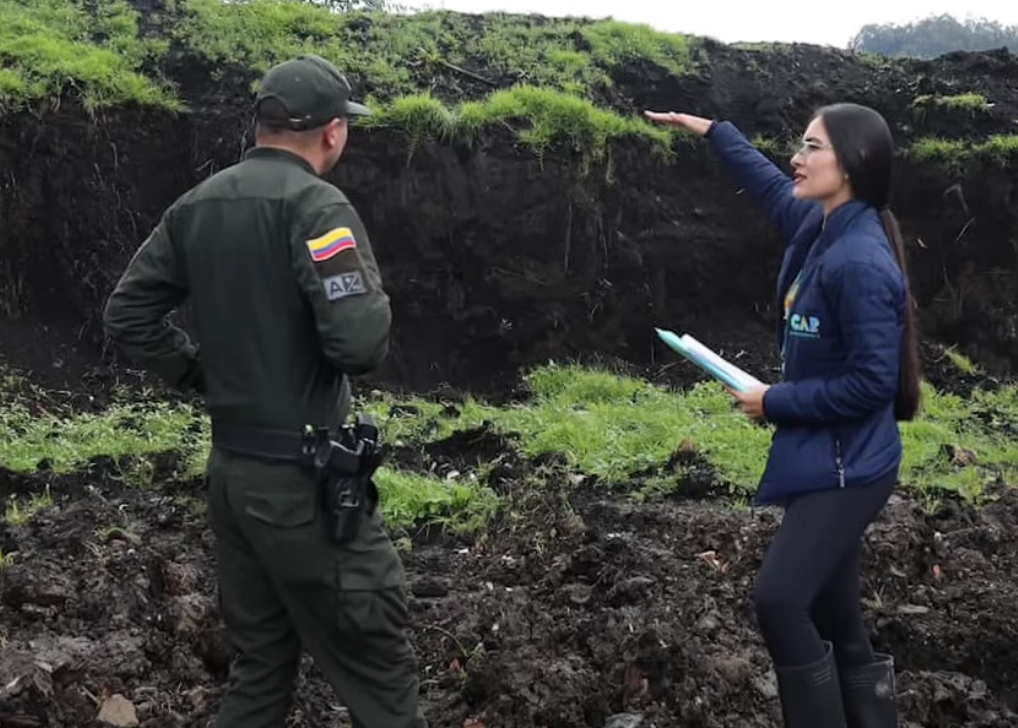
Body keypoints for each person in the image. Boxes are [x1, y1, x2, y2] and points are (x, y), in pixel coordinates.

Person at [103, 55, 428, 728]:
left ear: (263, 125)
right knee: (380, 666)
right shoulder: (317, 206)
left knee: (260, 671)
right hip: (303, 485)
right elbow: (359, 347)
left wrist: (199, 373)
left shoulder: (199, 204)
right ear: (333, 132)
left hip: (233, 478)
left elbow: (128, 313)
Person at [645, 105, 921, 728]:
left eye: (810, 147)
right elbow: (771, 184)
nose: (797, 157)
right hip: (823, 455)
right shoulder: (821, 226)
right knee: (836, 618)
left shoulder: (860, 262)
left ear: (849, 166)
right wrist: (716, 131)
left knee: (779, 600)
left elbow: (873, 385)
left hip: (850, 467)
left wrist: (774, 401)